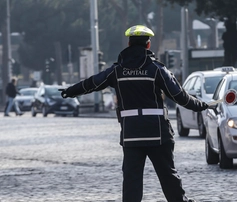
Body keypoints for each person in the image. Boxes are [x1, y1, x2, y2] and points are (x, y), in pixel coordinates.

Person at [59, 25, 207, 202]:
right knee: (168, 176)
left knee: (132, 181)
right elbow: (179, 96)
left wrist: (70, 91)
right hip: (158, 134)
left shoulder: (117, 71)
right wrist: (201, 105)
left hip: (132, 135)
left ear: (128, 43)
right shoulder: (157, 69)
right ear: (148, 45)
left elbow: (93, 83)